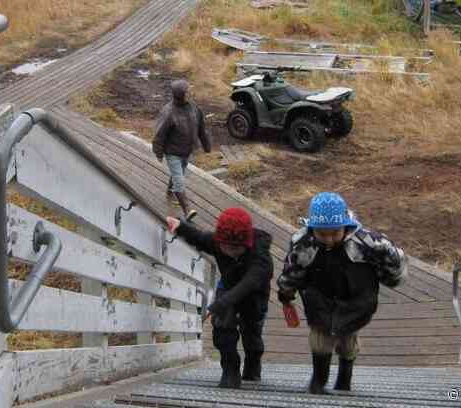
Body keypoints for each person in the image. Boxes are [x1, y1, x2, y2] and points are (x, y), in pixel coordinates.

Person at [277, 192, 407, 394]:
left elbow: (393, 261)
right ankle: (318, 381)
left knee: (347, 342)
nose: (328, 240)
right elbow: (293, 269)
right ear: (312, 228)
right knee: (320, 338)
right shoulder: (304, 243)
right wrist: (286, 292)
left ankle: (344, 379)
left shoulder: (367, 243)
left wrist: (392, 277)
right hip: (319, 295)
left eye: (334, 233)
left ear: (346, 225)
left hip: (355, 299)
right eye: (322, 234)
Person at [166, 207, 273, 388]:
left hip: (254, 296)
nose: (230, 252)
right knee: (222, 327)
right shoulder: (218, 243)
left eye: (237, 248)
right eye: (226, 247)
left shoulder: (260, 256)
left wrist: (220, 302)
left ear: (246, 244)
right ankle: (230, 370)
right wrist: (180, 227)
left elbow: (250, 282)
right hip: (228, 289)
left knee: (252, 334)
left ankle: (253, 367)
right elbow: (200, 238)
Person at [153, 79, 212, 219]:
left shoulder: (194, 108)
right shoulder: (168, 112)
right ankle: (187, 210)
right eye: (187, 91)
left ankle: (169, 191)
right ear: (180, 94)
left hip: (186, 151)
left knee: (178, 174)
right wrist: (158, 153)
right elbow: (159, 135)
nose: (190, 92)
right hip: (172, 152)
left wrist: (206, 145)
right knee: (180, 181)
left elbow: (201, 128)